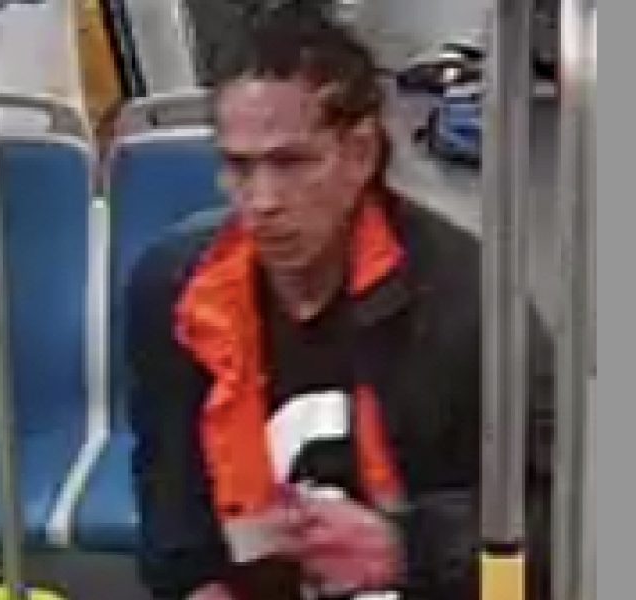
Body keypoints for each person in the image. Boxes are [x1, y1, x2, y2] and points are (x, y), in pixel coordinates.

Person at [126, 9, 552, 600]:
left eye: (292, 163)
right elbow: (169, 504)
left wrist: (404, 549)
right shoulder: (172, 291)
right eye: (239, 167)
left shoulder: (468, 299)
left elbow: (555, 521)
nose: (263, 201)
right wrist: (196, 584)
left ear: (359, 154)